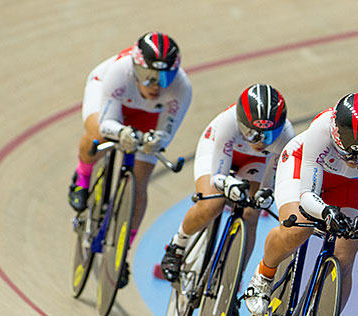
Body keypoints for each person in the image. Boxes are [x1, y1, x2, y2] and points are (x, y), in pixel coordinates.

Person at [243, 92, 358, 316]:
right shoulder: (322, 128)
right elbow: (307, 196)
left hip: (348, 184)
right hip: (302, 168)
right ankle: (263, 275)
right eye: (348, 154)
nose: (354, 161)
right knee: (296, 231)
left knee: (347, 252)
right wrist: (326, 211)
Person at [68, 31, 192, 287]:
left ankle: (122, 251)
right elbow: (105, 123)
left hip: (148, 114)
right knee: (96, 137)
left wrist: (155, 141)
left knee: (140, 180)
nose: (156, 85)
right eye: (148, 77)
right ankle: (81, 178)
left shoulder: (181, 88)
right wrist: (121, 132)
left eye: (164, 78)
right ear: (136, 68)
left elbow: (165, 134)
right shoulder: (119, 71)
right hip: (111, 96)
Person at [160, 83, 295, 292]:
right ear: (241, 122)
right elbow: (217, 177)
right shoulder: (227, 122)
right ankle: (177, 246)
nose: (259, 141)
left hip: (255, 163)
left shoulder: (287, 135)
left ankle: (233, 282)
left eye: (267, 135)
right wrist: (226, 184)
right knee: (211, 204)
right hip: (219, 151)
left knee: (252, 213)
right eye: (252, 133)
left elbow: (271, 182)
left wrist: (265, 195)